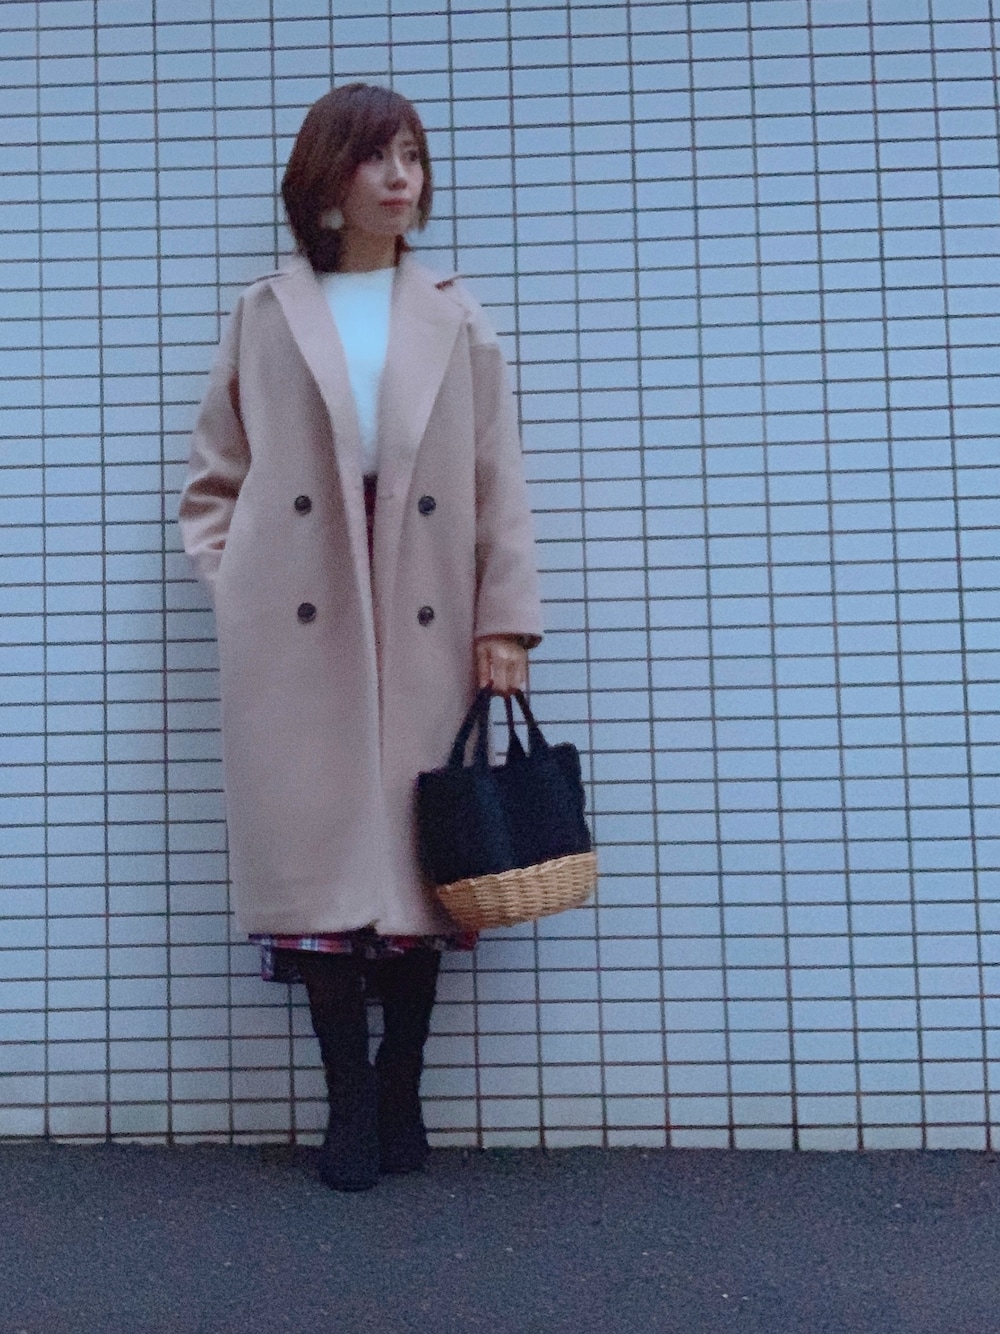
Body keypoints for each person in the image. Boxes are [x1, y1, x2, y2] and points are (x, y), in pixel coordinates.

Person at [178, 83, 542, 1191]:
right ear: (326, 179)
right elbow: (214, 479)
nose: (401, 178)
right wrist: (240, 585)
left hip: (425, 594)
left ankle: (401, 1088)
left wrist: (506, 621)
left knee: (425, 857)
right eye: (378, 157)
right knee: (319, 872)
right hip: (300, 609)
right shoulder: (266, 312)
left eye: (414, 157)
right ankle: (348, 1102)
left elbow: (498, 479)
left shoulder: (455, 315)